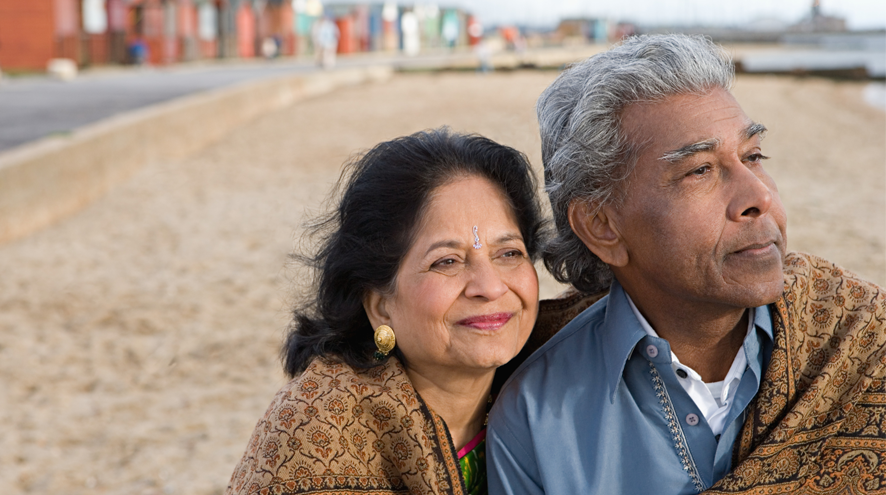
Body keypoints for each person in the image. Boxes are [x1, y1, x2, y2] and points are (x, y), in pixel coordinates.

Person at [488, 34, 886, 494]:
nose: (760, 197)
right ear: (602, 226)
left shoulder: (862, 342)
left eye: (753, 156)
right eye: (700, 170)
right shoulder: (535, 420)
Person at [226, 128, 546, 495]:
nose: (490, 288)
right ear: (380, 306)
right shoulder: (316, 431)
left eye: (509, 253)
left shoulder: (556, 383)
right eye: (447, 261)